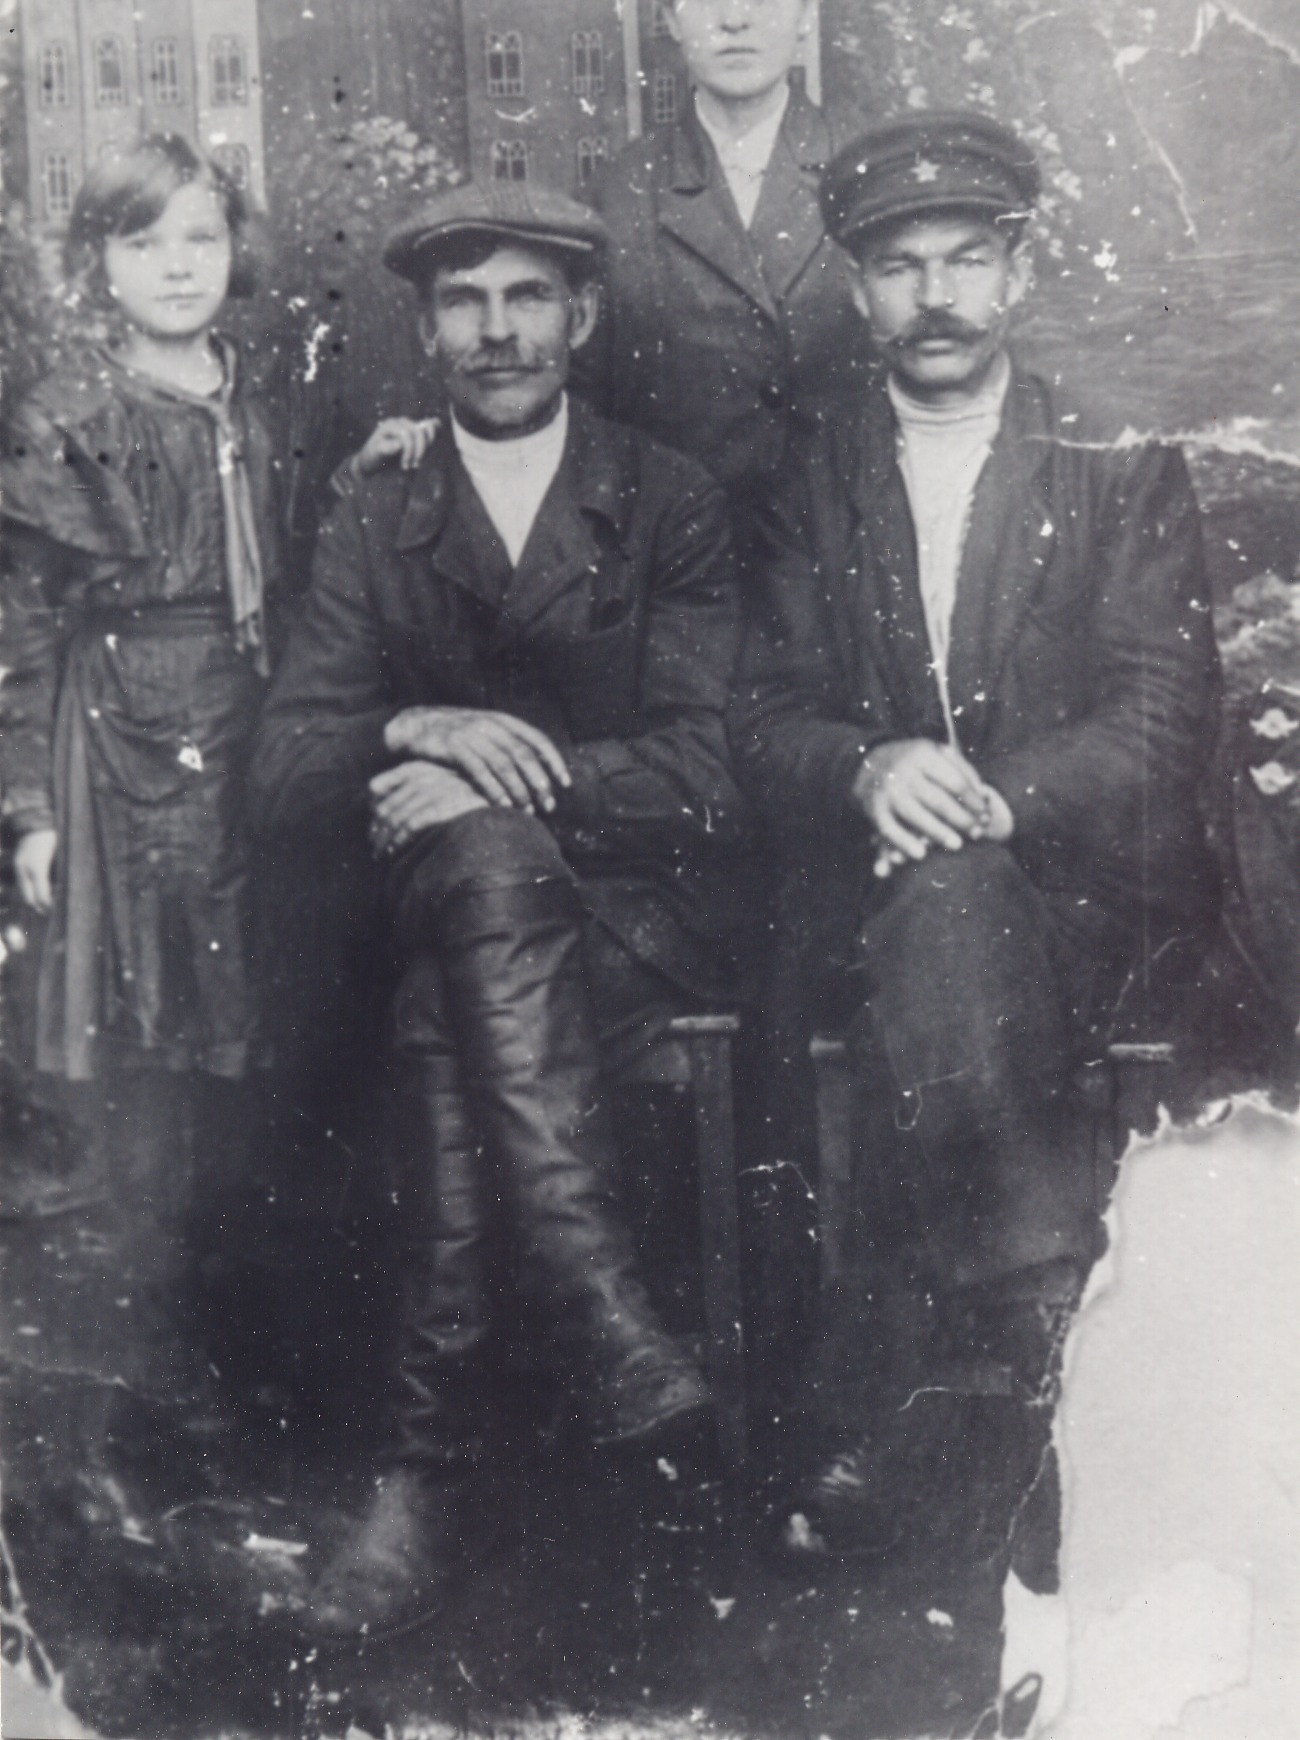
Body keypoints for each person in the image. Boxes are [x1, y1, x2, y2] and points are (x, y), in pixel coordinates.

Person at [249, 179, 745, 1635]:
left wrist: (498, 780)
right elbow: (284, 765)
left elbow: (707, 769)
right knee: (470, 891)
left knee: (452, 976)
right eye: (463, 302)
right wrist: (412, 728)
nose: (497, 329)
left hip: (628, 925)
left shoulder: (667, 498)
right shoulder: (378, 502)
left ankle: (426, 1467)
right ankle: (612, 1329)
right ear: (425, 330)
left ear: (580, 317)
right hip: (457, 920)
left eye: (528, 296)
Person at [731, 111, 1221, 1569]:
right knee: (939, 906)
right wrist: (864, 765)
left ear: (1019, 273)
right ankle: (1044, 1356)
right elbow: (755, 713)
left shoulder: (1113, 462)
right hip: (866, 898)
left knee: (955, 898)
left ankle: (939, 1393)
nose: (933, 296)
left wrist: (1003, 801)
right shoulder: (803, 477)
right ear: (857, 288)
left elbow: (1164, 710)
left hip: (1088, 896)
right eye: (899, 266)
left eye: (964, 260)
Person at [0, 133, 428, 1237]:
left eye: (201, 237)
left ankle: (261, 1258)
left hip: (257, 711)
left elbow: (287, 538)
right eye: (142, 243)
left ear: (237, 248)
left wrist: (360, 470)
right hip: (122, 732)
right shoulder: (65, 415)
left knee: (264, 970)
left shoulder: (265, 391)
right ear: (98, 263)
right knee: (151, 997)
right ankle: (157, 1264)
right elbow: (24, 623)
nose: (178, 266)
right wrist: (31, 809)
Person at [590, 0, 872, 542]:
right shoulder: (619, 194)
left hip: (845, 552)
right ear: (668, 16)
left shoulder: (864, 172)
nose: (735, 18)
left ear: (807, 10)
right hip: (679, 560)